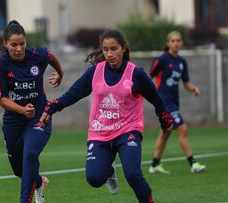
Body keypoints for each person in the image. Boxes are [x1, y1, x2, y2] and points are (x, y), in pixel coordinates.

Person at [40, 29, 173, 203]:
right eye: (105, 49)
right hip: (100, 133)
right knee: (94, 179)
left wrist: (165, 119)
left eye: (113, 48)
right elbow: (73, 94)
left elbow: (156, 98)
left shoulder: (136, 74)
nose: (109, 54)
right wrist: (51, 108)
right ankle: (109, 170)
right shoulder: (94, 72)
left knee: (132, 174)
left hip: (128, 130)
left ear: (123, 48)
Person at [0, 20, 64, 203]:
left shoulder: (37, 55)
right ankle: (39, 182)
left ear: (26, 42)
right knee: (20, 171)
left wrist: (60, 74)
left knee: (30, 153)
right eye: (14, 45)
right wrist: (22, 110)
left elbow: (50, 56)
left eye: (21, 44)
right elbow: (2, 99)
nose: (18, 48)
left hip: (40, 116)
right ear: (6, 44)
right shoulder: (0, 65)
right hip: (14, 121)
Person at [148, 31, 206, 174]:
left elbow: (186, 83)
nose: (175, 43)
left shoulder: (181, 62)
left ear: (181, 43)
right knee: (182, 128)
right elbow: (148, 77)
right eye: (172, 40)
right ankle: (193, 163)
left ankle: (155, 164)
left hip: (174, 102)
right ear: (168, 43)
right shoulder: (161, 60)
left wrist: (194, 89)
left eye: (178, 40)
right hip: (164, 102)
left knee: (165, 133)